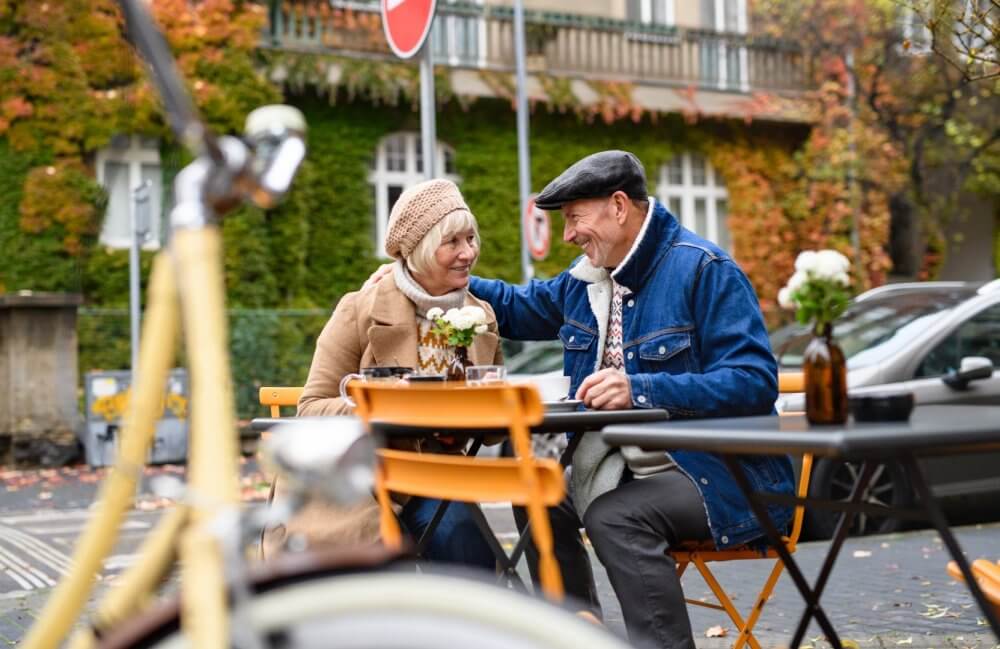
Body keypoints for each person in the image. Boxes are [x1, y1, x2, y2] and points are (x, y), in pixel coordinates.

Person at [464, 151, 795, 649]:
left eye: (574, 218)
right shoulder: (587, 282)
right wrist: (437, 276)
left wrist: (637, 387)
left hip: (721, 473)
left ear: (619, 207)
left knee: (616, 517)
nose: (569, 235)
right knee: (535, 488)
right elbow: (514, 306)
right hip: (631, 466)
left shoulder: (703, 269)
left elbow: (752, 381)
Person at [296, 178, 502, 570]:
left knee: (464, 540)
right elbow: (310, 409)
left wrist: (465, 418)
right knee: (436, 540)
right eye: (452, 242)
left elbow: (493, 431)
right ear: (420, 249)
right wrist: (385, 403)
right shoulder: (359, 308)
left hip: (437, 478)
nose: (468, 253)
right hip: (362, 482)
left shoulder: (482, 315)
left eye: (471, 239)